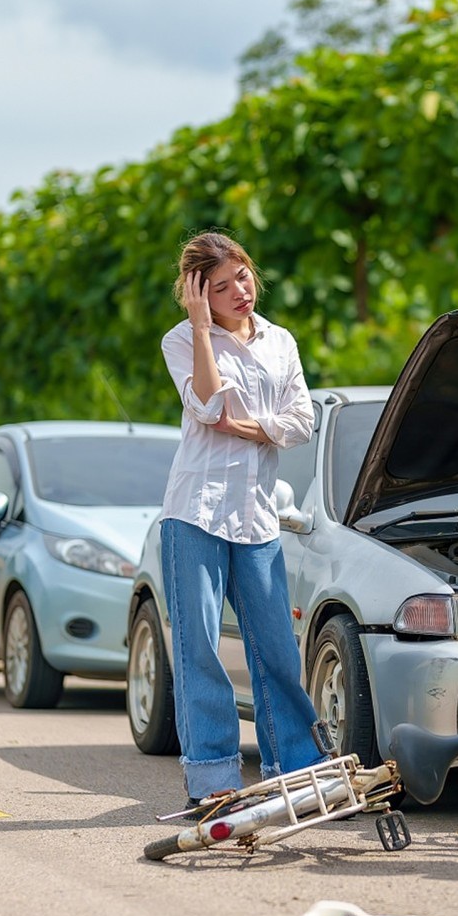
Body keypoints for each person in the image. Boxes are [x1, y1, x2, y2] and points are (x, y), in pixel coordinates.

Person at [158, 230, 325, 806]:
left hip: (257, 517)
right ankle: (213, 781)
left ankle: (296, 770)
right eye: (221, 286)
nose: (240, 291)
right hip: (194, 515)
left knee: (275, 647)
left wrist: (247, 424)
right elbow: (206, 406)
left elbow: (302, 423)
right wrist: (203, 329)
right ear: (198, 292)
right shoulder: (181, 340)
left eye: (244, 277)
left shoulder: (281, 342)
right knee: (199, 647)